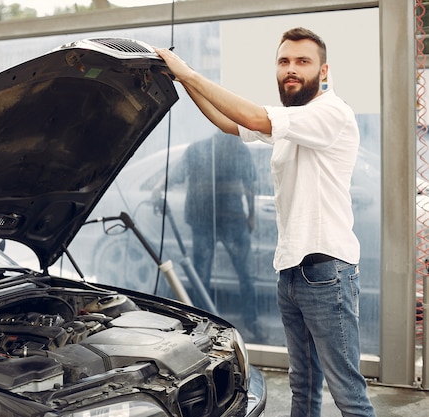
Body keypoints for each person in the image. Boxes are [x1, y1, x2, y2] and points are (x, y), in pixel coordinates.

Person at [156, 27, 376, 417]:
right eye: (284, 61)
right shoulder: (294, 121)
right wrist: (181, 78)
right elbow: (229, 123)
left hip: (327, 274)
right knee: (303, 385)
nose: (291, 69)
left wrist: (188, 72)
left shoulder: (330, 113)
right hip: (292, 274)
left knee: (348, 394)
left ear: (324, 72)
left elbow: (254, 117)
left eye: (302, 62)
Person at [168, 131, 261, 338]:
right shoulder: (222, 149)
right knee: (218, 275)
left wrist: (252, 214)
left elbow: (249, 184)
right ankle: (244, 322)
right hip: (219, 218)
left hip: (223, 218)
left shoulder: (230, 149)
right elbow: (250, 185)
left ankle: (242, 322)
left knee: (222, 274)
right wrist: (251, 215)